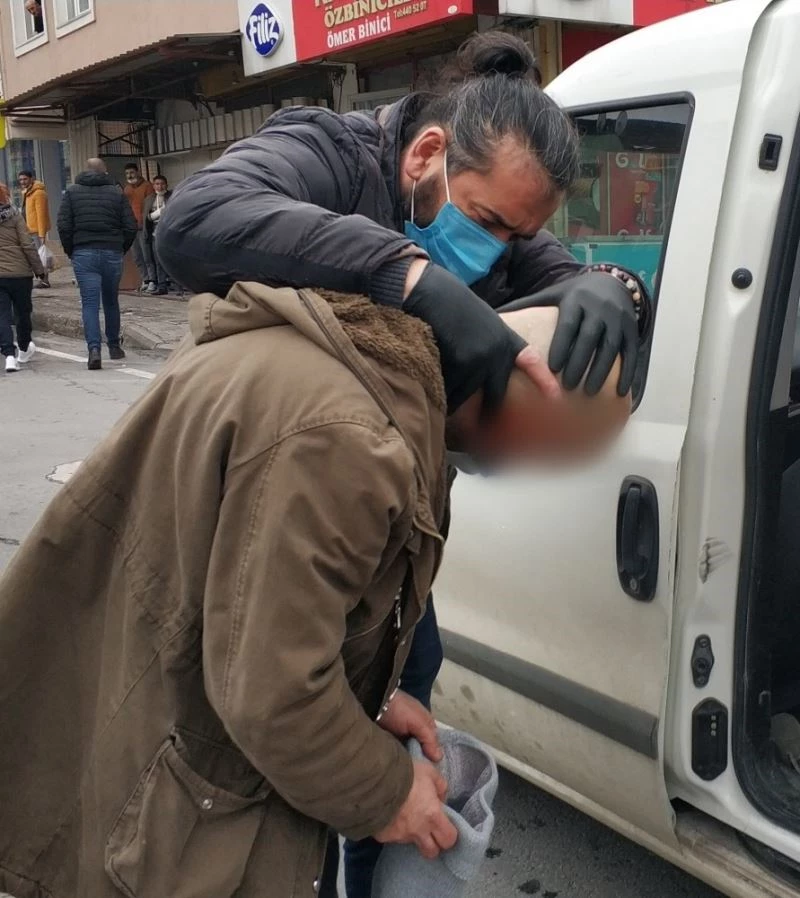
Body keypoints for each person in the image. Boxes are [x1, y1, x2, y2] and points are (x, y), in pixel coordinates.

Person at [155, 31, 647, 895]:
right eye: (488, 225)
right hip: (274, 500)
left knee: (396, 701)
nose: (496, 253)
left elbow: (563, 283)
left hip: (391, 537)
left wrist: (614, 284)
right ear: (426, 156)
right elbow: (193, 223)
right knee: (269, 743)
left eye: (519, 234)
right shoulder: (324, 152)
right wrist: (406, 274)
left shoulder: (498, 222)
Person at [0, 273, 634, 898]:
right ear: (521, 398)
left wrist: (367, 698)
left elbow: (261, 599)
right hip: (160, 774)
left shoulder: (376, 374)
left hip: (144, 685)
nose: (535, 471)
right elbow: (271, 692)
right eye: (553, 451)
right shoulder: (351, 444)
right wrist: (389, 794)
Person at [57, 157, 138, 370]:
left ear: (86, 170)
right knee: (111, 300)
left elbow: (63, 225)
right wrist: (121, 248)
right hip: (112, 252)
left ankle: (94, 349)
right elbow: (130, 225)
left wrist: (71, 250)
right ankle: (114, 346)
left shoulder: (72, 192)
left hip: (83, 253)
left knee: (90, 303)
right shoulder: (116, 193)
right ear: (105, 172)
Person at [0, 183, 46, 373]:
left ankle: (9, 356)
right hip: (20, 274)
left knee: (2, 316)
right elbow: (27, 245)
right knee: (23, 312)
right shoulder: (15, 216)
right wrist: (39, 270)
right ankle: (24, 347)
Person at [123, 161, 155, 291]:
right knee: (137, 256)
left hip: (144, 226)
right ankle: (145, 279)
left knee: (147, 255)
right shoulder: (127, 189)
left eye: (131, 172)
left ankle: (153, 280)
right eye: (127, 173)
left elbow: (149, 206)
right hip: (132, 228)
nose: (129, 175)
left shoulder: (147, 186)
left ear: (138, 172)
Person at [17, 169, 50, 289]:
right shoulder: (27, 192)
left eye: (25, 179)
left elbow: (41, 215)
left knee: (40, 256)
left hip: (36, 230)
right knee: (33, 255)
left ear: (32, 179)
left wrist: (42, 234)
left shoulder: (38, 193)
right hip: (28, 229)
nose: (22, 182)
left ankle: (45, 280)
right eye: (20, 179)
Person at [142, 174, 172, 295]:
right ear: (153, 186)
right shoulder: (149, 199)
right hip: (155, 233)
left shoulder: (172, 196)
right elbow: (146, 217)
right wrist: (156, 214)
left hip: (169, 232)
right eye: (157, 184)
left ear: (166, 185)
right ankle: (161, 285)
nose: (160, 186)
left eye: (162, 184)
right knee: (157, 259)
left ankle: (176, 283)